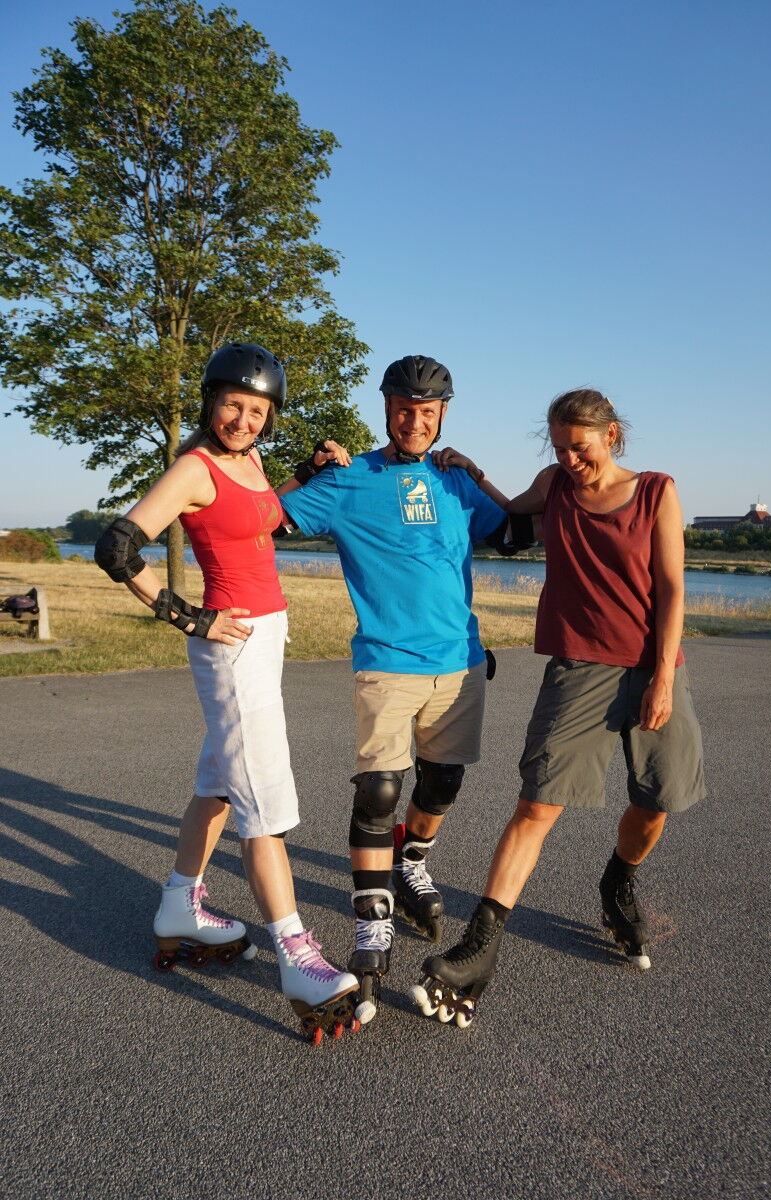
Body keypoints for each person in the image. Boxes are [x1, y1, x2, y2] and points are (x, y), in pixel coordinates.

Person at [410, 388, 706, 1028]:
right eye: (560, 448)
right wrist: (470, 470)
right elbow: (509, 511)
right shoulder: (556, 485)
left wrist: (662, 677)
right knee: (537, 802)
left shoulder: (656, 491)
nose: (571, 460)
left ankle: (617, 881)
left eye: (581, 447)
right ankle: (478, 947)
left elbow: (673, 588)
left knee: (656, 800)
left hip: (653, 665)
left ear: (611, 435)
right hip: (579, 665)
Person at [94, 341, 359, 1044]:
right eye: (232, 405)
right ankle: (297, 957)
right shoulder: (193, 468)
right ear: (211, 401)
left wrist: (311, 473)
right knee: (262, 804)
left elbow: (263, 518)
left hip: (265, 637)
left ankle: (180, 903)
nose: (243, 420)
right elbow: (117, 547)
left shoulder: (250, 461)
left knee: (218, 782)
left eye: (257, 411)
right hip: (231, 647)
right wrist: (191, 616)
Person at [277, 354, 533, 1024]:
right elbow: (264, 520)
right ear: (386, 409)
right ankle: (371, 927)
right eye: (402, 409)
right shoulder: (349, 479)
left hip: (460, 662)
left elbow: (517, 534)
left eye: (426, 411)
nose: (413, 421)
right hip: (388, 662)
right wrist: (306, 468)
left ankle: (410, 861)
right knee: (380, 791)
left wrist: (477, 472)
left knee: (442, 784)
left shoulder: (454, 481)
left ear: (442, 415)